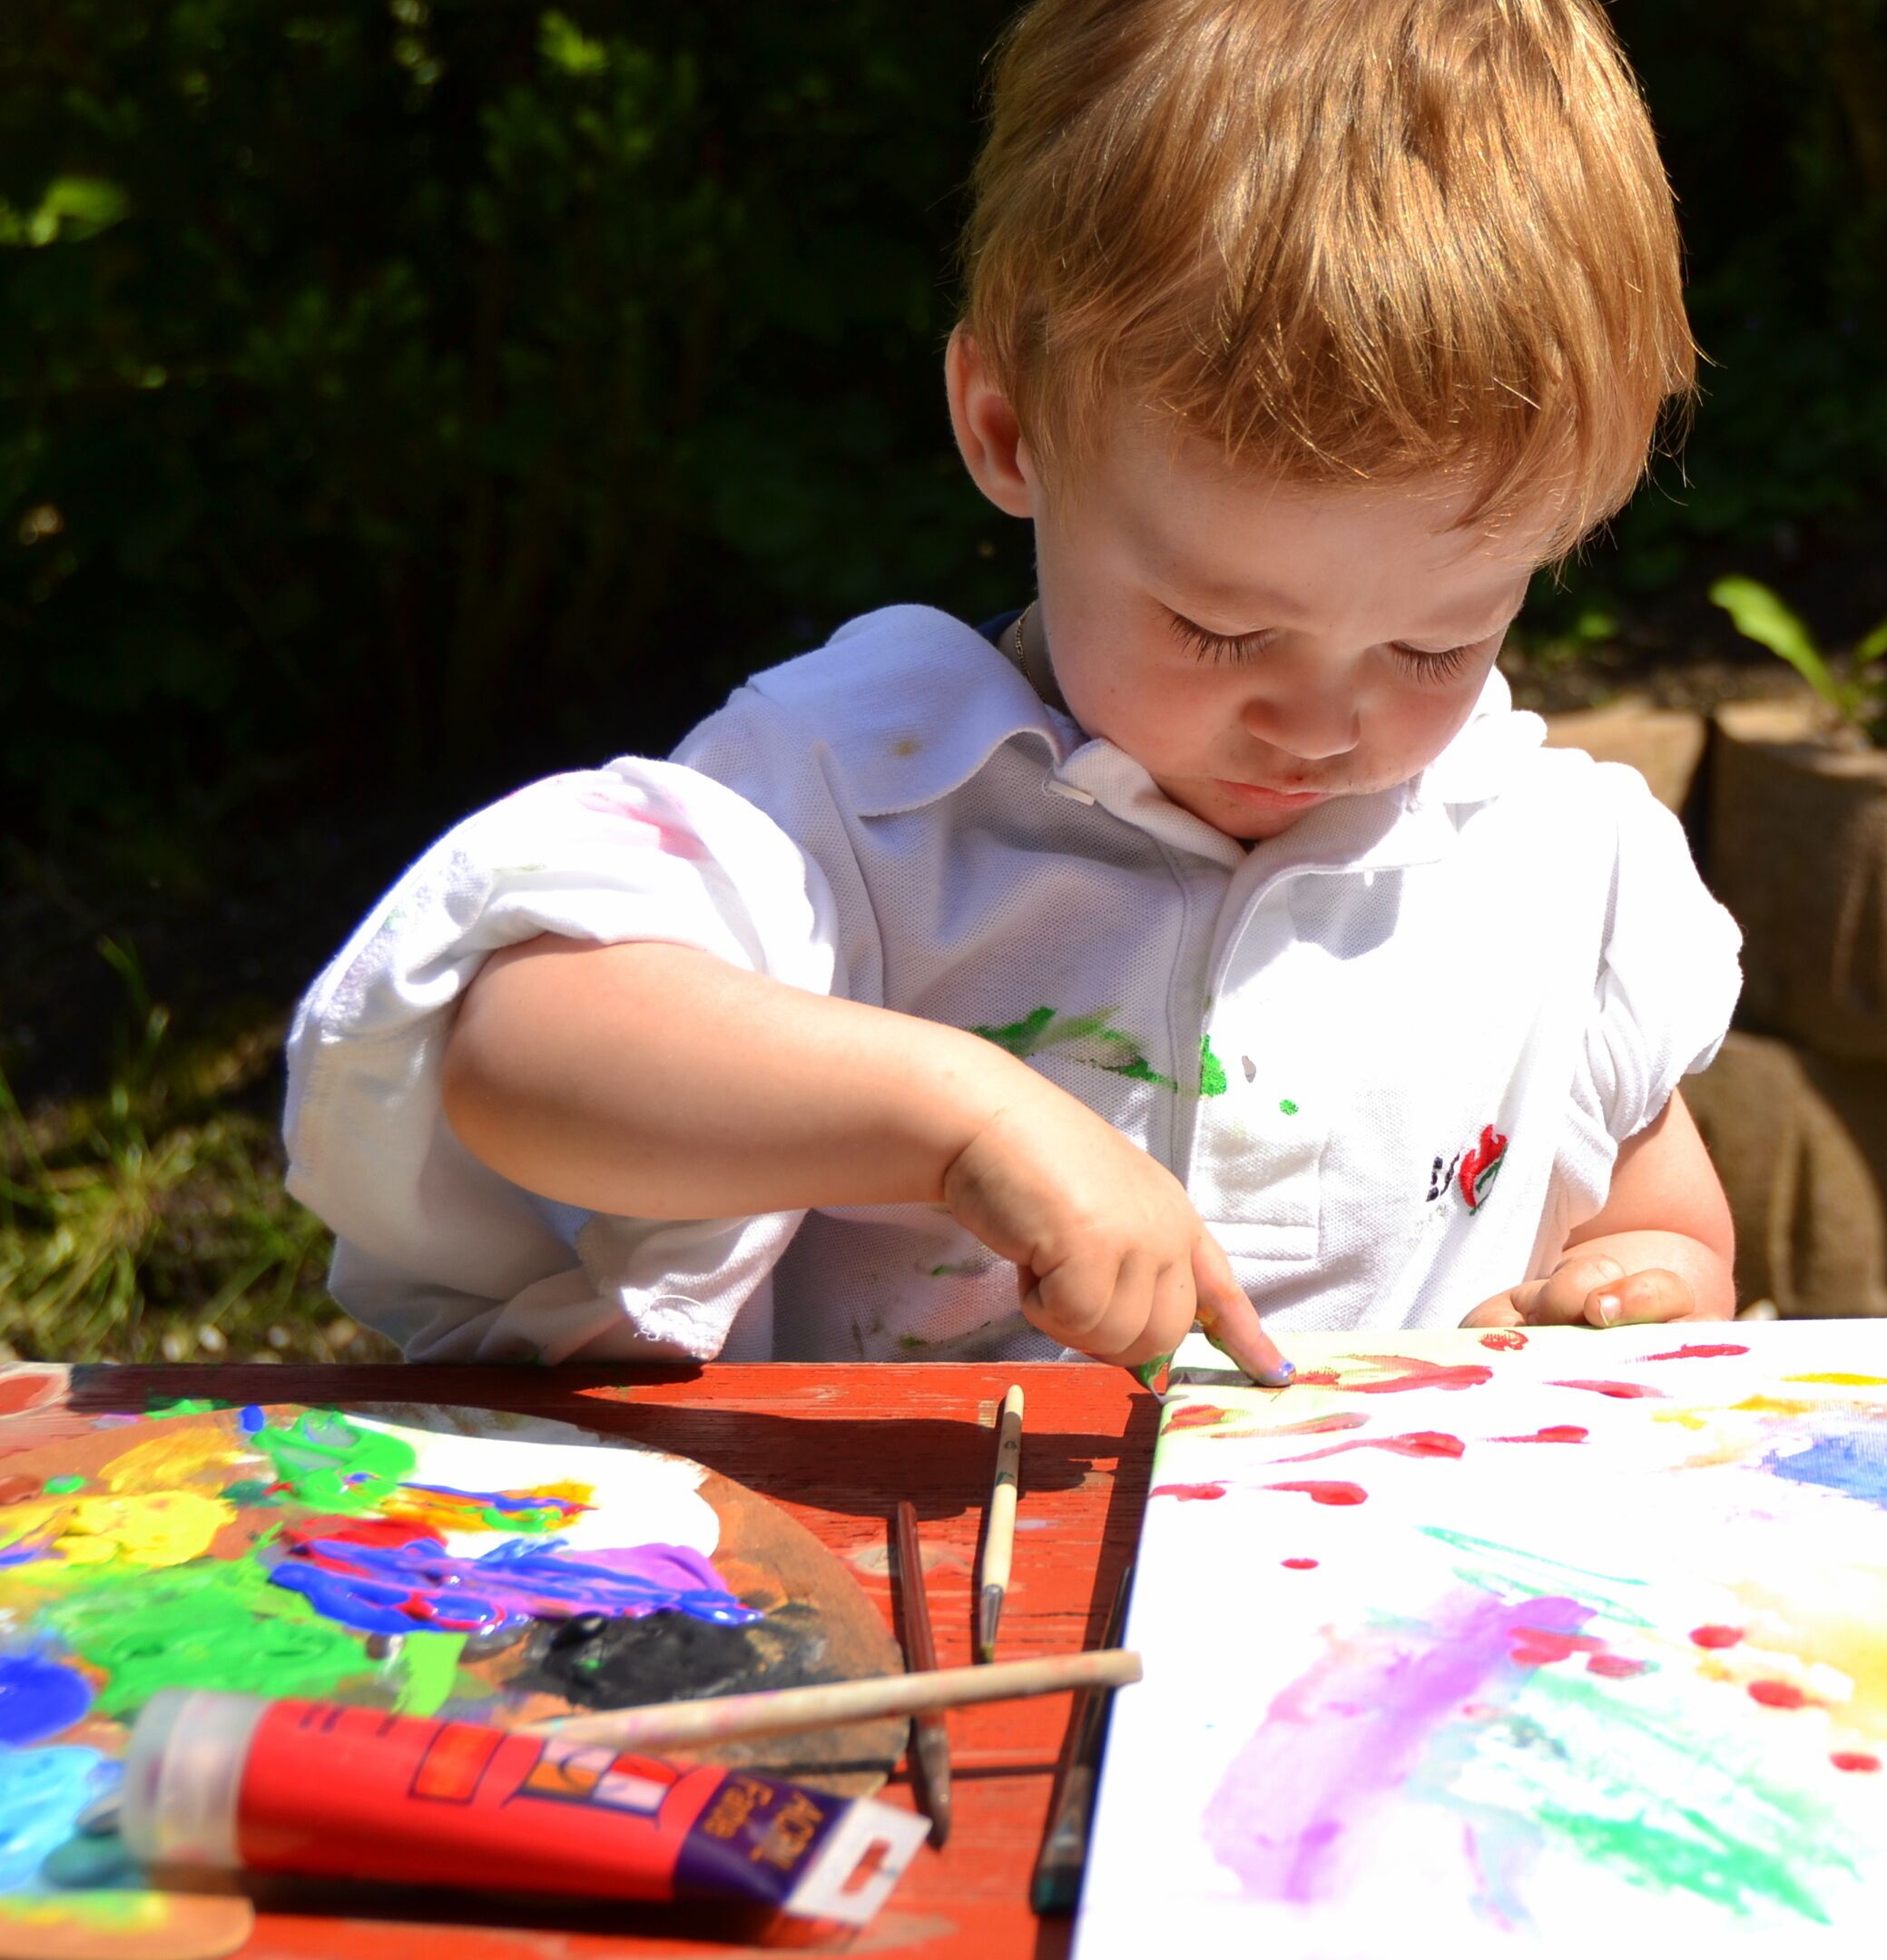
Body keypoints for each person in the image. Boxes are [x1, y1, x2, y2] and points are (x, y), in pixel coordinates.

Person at [280, 0, 1738, 1387]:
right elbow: (520, 1052)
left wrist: (1632, 1294)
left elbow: (1654, 1218)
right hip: (924, 1608)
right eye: (1222, 628)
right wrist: (956, 1117)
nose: (1319, 722)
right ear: (1007, 427)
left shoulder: (1551, 871)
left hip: (1393, 1611)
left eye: (1437, 644)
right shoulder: (862, 793)